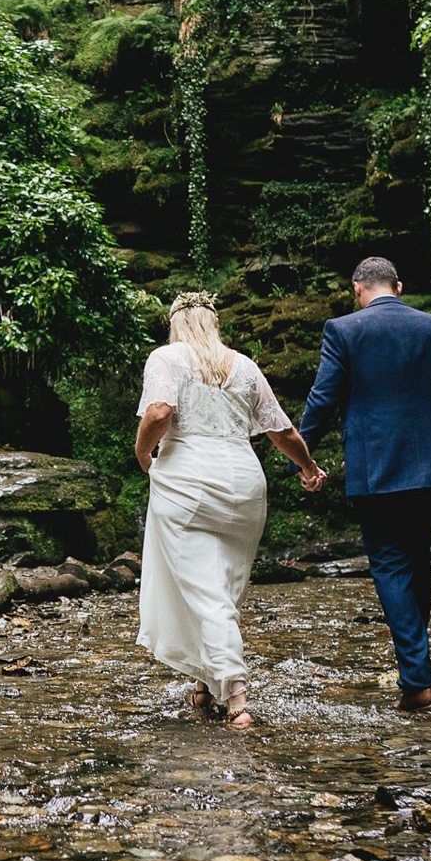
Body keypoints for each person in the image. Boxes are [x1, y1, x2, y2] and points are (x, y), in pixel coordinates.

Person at [296, 257, 431, 712]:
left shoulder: (343, 330)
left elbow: (322, 400)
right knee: (416, 556)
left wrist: (301, 459)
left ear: (357, 289)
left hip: (377, 468)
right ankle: (416, 663)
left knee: (389, 563)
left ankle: (420, 681)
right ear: (398, 286)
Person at [134, 291, 326, 731]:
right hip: (245, 483)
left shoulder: (166, 357)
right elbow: (283, 429)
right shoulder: (244, 365)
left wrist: (144, 454)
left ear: (176, 324)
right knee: (221, 590)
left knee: (206, 593)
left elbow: (161, 411)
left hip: (189, 480)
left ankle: (236, 699)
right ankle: (204, 683)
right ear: (214, 323)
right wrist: (309, 468)